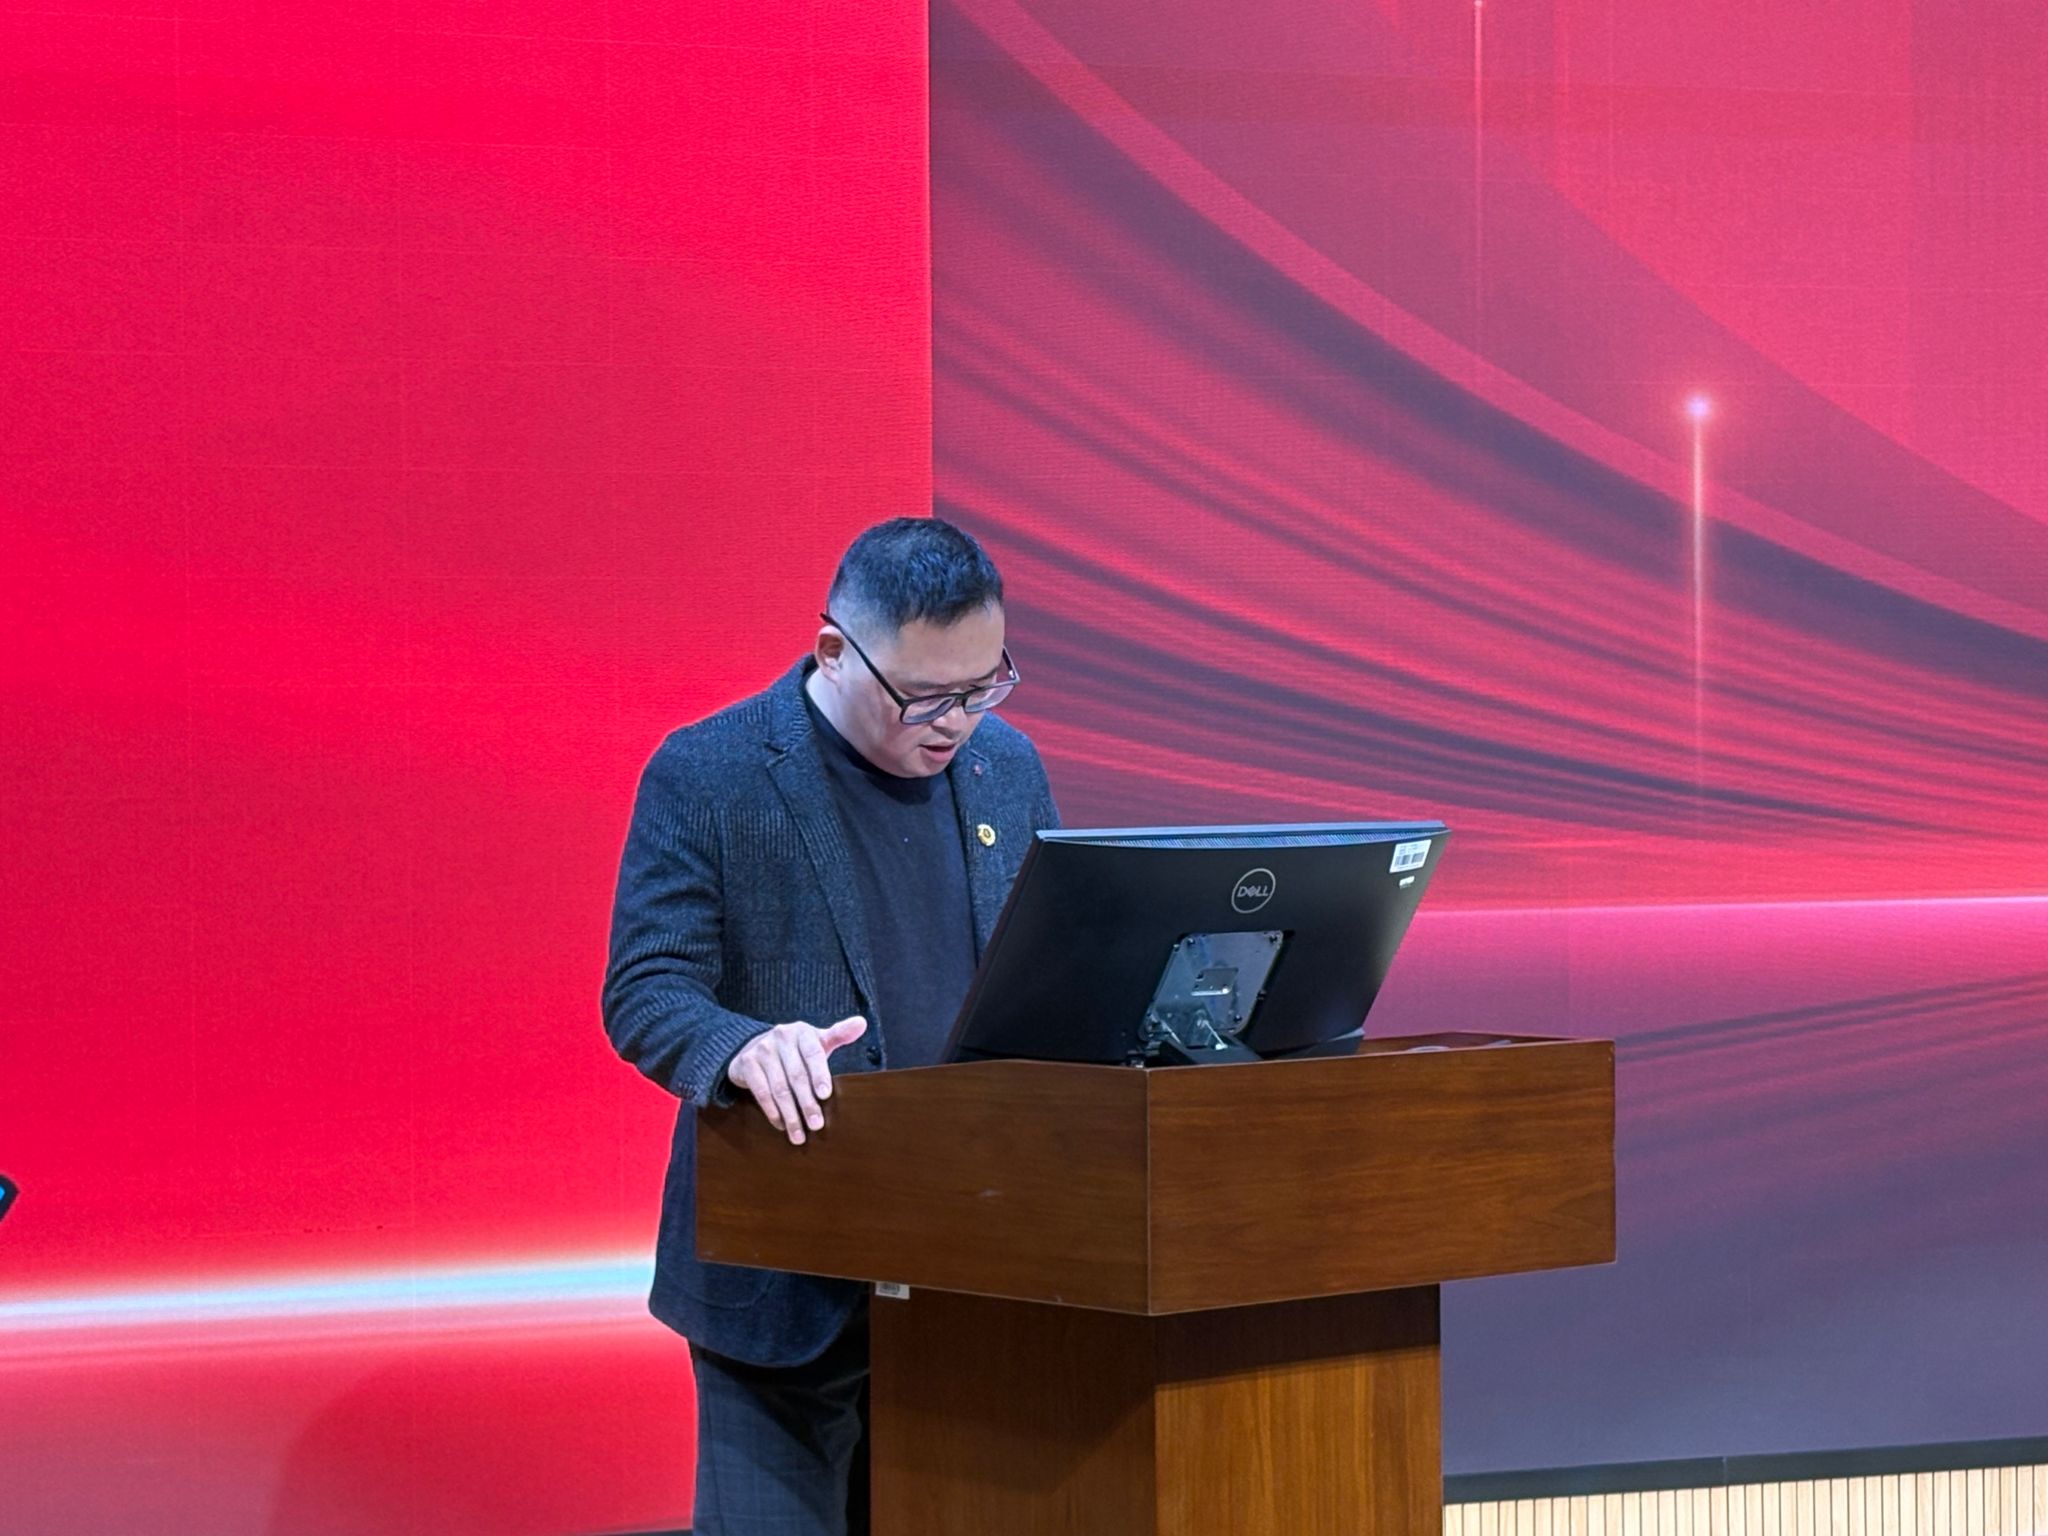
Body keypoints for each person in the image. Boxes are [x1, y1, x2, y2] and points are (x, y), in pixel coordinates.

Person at [601, 516, 1059, 1536]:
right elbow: (646, 988)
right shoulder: (710, 772)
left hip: (971, 1279)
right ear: (833, 652)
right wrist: (741, 1047)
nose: (956, 722)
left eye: (984, 686)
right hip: (781, 1281)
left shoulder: (1009, 768)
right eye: (925, 696)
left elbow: (1047, 971)